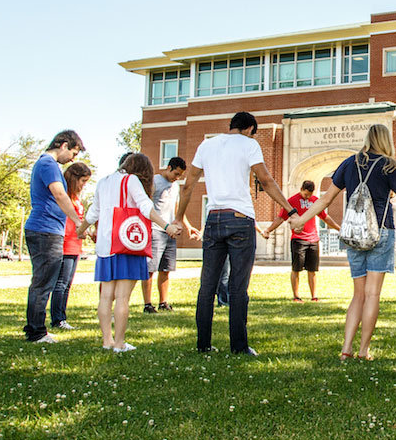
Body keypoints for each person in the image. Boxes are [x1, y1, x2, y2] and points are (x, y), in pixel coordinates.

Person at [292, 124, 396, 360]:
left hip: (354, 235)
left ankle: (346, 348)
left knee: (358, 295)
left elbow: (326, 199)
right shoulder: (389, 165)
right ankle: (364, 350)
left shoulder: (349, 163)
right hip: (382, 232)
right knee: (372, 294)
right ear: (386, 141)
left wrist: (301, 219)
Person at [174, 112, 297, 356]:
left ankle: (203, 344)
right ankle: (239, 347)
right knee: (238, 286)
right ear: (250, 128)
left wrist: (179, 217)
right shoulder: (249, 144)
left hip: (213, 219)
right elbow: (266, 179)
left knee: (207, 285)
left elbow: (188, 184)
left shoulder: (206, 145)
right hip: (240, 218)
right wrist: (289, 209)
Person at [81, 153, 182, 352]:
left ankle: (107, 341)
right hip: (126, 243)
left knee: (105, 296)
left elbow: (93, 212)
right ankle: (119, 343)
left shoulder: (103, 181)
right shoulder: (132, 180)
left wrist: (79, 230)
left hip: (105, 246)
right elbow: (146, 207)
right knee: (123, 297)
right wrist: (166, 226)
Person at [23, 129, 87, 344]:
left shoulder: (47, 165)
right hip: (45, 229)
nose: (72, 159)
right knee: (43, 282)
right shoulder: (48, 164)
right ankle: (36, 332)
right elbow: (59, 194)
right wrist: (78, 222)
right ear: (64, 145)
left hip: (49, 229)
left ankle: (37, 328)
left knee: (45, 281)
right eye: (73, 153)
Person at [261, 180, 339, 302]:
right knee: (296, 269)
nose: (307, 197)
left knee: (312, 270)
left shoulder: (314, 201)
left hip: (313, 239)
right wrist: (268, 230)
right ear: (301, 189)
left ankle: (314, 296)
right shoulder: (292, 201)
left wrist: (339, 228)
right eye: (305, 194)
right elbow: (281, 218)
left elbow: (325, 217)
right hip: (298, 240)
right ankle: (296, 296)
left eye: (309, 194)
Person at [144, 157, 195, 314]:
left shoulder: (175, 187)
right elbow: (145, 205)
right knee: (150, 268)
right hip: (155, 230)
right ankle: (148, 304)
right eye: (176, 174)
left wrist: (188, 227)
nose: (177, 178)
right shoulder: (154, 182)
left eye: (180, 175)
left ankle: (163, 302)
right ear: (168, 167)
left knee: (166, 269)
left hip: (170, 232)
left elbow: (177, 208)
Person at [50, 161, 92, 331]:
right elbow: (68, 225)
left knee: (67, 283)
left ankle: (61, 316)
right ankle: (58, 319)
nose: (83, 186)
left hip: (75, 246)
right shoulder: (65, 199)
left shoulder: (76, 199)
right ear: (74, 179)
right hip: (66, 245)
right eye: (82, 181)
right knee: (61, 283)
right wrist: (80, 231)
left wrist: (86, 232)